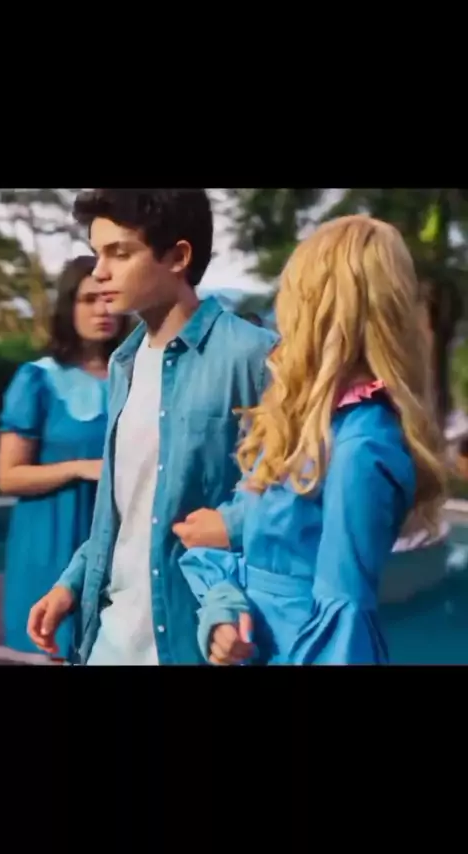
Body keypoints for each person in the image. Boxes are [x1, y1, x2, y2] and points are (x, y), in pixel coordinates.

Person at [178, 215, 446, 665]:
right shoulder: (306, 424)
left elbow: (343, 625)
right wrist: (224, 613)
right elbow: (255, 559)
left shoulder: (362, 446)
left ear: (322, 311)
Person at [27, 188, 277, 665]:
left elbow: (288, 502)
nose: (100, 271)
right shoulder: (124, 364)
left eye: (119, 253)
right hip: (107, 640)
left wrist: (228, 602)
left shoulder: (255, 356)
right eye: (98, 253)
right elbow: (126, 511)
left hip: (197, 640)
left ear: (178, 257)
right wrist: (71, 583)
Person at [0, 255, 129, 660]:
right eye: (88, 299)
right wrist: (79, 468)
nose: (102, 310)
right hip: (51, 542)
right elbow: (8, 476)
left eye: (109, 298)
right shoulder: (37, 379)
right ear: (68, 306)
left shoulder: (140, 374)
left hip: (122, 543)